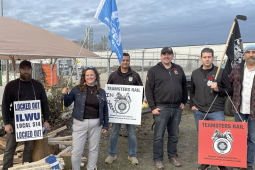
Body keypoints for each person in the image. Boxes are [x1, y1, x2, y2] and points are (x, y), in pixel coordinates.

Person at [2, 60, 51, 170]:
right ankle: (6, 168)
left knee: (29, 148)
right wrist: (6, 123)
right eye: (23, 69)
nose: (26, 71)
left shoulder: (38, 85)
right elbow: (5, 105)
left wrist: (46, 120)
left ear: (31, 70)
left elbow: (44, 103)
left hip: (32, 122)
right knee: (10, 148)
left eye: (28, 69)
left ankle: (26, 167)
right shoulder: (11, 86)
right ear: (19, 70)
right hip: (15, 121)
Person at [190, 48, 233, 170]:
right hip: (199, 111)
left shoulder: (221, 72)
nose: (207, 59)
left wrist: (218, 89)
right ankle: (206, 161)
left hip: (216, 110)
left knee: (220, 137)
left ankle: (220, 163)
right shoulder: (195, 73)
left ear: (213, 58)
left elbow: (229, 90)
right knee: (204, 139)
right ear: (201, 58)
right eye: (204, 57)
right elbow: (192, 91)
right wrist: (192, 105)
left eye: (209, 57)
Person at [145, 47, 188, 169]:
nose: (166, 56)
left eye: (169, 54)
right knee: (159, 136)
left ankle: (173, 156)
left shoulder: (178, 69)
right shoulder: (153, 70)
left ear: (172, 56)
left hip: (176, 108)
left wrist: (184, 101)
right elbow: (148, 89)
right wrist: (153, 107)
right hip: (161, 108)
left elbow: (184, 86)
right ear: (161, 56)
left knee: (174, 134)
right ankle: (158, 159)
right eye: (164, 54)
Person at [62, 66, 108, 170]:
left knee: (93, 149)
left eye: (92, 74)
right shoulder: (77, 89)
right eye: (87, 75)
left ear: (96, 76)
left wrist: (105, 124)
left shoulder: (101, 92)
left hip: (96, 123)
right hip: (79, 123)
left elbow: (105, 109)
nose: (90, 77)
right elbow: (66, 104)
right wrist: (64, 95)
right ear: (84, 77)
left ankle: (91, 168)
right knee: (77, 150)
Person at [105, 53, 143, 165]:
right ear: (120, 61)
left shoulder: (135, 75)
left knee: (131, 134)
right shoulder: (113, 75)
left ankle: (132, 155)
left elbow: (141, 91)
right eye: (123, 60)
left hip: (130, 112)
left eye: (127, 60)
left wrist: (137, 107)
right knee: (113, 133)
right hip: (116, 112)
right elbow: (108, 92)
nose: (125, 62)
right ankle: (112, 154)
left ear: (129, 61)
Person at [230, 44, 255, 170]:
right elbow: (229, 85)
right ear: (244, 55)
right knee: (238, 138)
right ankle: (238, 161)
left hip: (253, 111)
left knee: (252, 139)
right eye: (248, 52)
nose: (251, 54)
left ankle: (249, 163)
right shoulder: (236, 68)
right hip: (238, 109)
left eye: (253, 52)